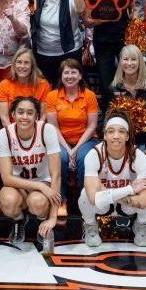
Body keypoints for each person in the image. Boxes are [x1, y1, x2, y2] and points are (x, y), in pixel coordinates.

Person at [79, 110, 146, 248]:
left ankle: (141, 225)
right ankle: (90, 226)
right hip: (104, 206)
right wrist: (130, 189)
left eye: (121, 131)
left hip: (126, 206)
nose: (116, 136)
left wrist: (105, 192)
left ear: (127, 136)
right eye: (111, 131)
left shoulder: (138, 156)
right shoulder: (93, 155)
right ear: (105, 135)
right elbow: (92, 198)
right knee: (84, 195)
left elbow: (143, 201)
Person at [0, 97, 61, 255]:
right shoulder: (4, 134)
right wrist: (38, 186)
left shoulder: (47, 130)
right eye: (20, 112)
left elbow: (56, 174)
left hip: (43, 184)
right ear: (13, 114)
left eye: (30, 113)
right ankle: (19, 220)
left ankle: (43, 223)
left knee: (37, 202)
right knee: (7, 201)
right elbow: (6, 178)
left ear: (37, 116)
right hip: (19, 185)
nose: (24, 117)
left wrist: (53, 218)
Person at [45, 59, 99, 216]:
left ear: (80, 75)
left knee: (85, 158)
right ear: (61, 76)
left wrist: (75, 150)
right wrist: (68, 150)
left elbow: (92, 126)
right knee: (60, 158)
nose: (70, 76)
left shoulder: (89, 96)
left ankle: (86, 199)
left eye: (73, 72)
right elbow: (53, 126)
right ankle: (60, 201)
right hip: (60, 141)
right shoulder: (52, 96)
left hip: (86, 140)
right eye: (66, 72)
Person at [85, 0, 134, 99]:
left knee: (128, 79)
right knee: (106, 83)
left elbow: (129, 13)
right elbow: (88, 19)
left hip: (122, 39)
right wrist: (111, 17)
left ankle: (130, 114)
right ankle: (109, 116)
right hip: (102, 41)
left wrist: (100, 19)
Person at [31, 0, 85, 85]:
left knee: (70, 90)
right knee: (47, 93)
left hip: (69, 52)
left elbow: (81, 10)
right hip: (43, 53)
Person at [109, 45, 146, 150]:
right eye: (125, 59)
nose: (129, 63)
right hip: (122, 143)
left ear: (140, 62)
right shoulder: (114, 87)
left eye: (133, 59)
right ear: (120, 62)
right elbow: (111, 119)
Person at [0, 48, 51, 128]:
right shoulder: (4, 85)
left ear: (32, 66)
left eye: (26, 63)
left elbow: (44, 115)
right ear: (14, 65)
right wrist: (13, 134)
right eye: (19, 62)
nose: (22, 66)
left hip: (35, 129)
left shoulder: (43, 85)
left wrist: (37, 132)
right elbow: (4, 118)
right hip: (12, 128)